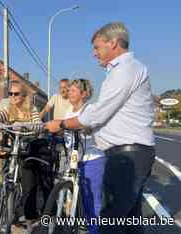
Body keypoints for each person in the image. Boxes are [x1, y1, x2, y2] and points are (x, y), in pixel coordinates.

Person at [45, 22, 155, 234]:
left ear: (113, 43)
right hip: (131, 152)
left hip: (127, 155)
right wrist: (90, 129)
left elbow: (99, 113)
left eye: (97, 47)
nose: (94, 54)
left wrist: (61, 124)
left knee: (110, 221)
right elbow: (113, 115)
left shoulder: (124, 70)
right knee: (129, 223)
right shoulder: (126, 70)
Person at [0, 80, 50, 233]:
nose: (12, 96)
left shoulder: (31, 108)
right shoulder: (8, 108)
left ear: (24, 95)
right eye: (10, 94)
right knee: (7, 176)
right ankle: (9, 211)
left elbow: (38, 124)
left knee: (29, 185)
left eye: (16, 94)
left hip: (28, 147)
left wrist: (25, 125)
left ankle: (29, 220)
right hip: (14, 146)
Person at [64, 79, 106, 234]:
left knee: (92, 201)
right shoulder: (69, 112)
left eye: (73, 90)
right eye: (69, 90)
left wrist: (89, 128)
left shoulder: (91, 109)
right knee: (76, 196)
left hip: (92, 159)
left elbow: (96, 126)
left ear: (84, 94)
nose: (69, 93)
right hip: (74, 160)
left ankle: (94, 230)